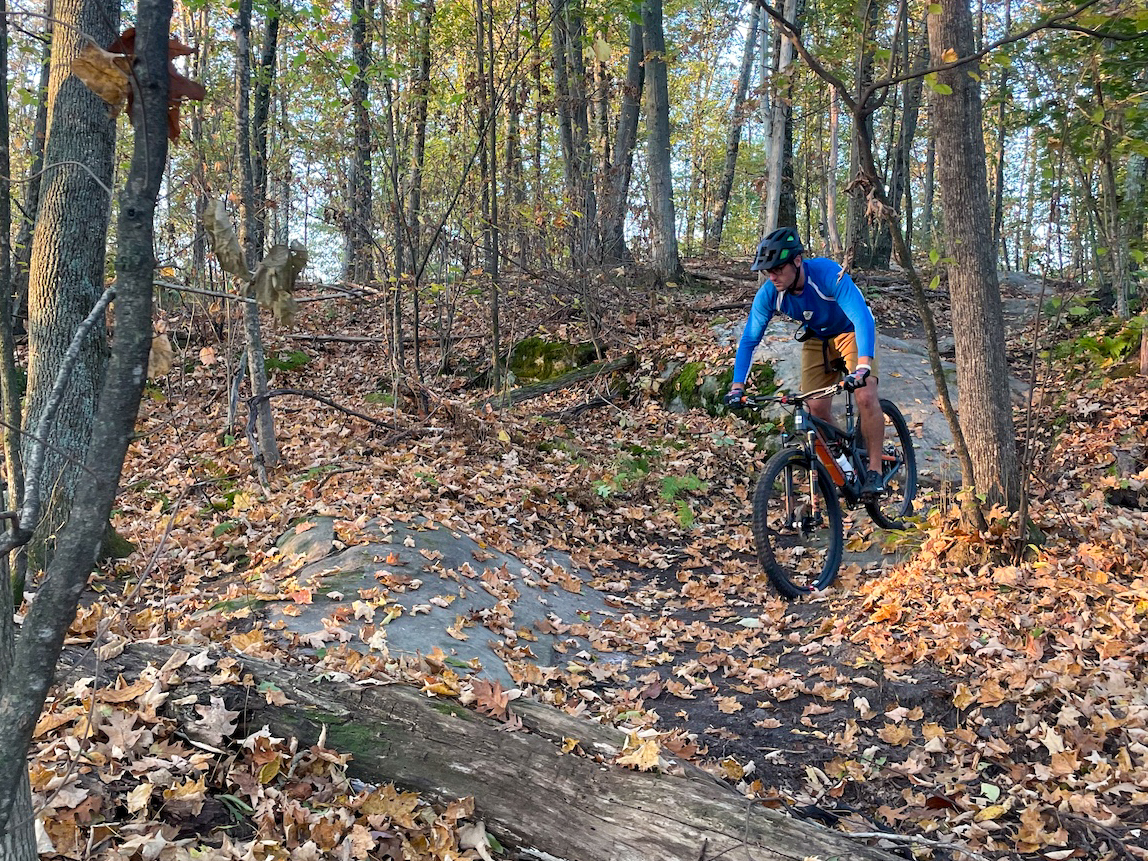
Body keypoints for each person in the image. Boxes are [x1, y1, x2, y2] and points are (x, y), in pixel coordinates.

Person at [725, 226, 886, 496]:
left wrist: (863, 366)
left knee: (865, 395)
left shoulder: (826, 274)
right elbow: (750, 339)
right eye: (768, 271)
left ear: (797, 261)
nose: (772, 276)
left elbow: (862, 317)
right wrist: (737, 386)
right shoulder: (769, 293)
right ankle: (844, 463)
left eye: (778, 269)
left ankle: (875, 470)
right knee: (815, 409)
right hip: (817, 338)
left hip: (851, 331)